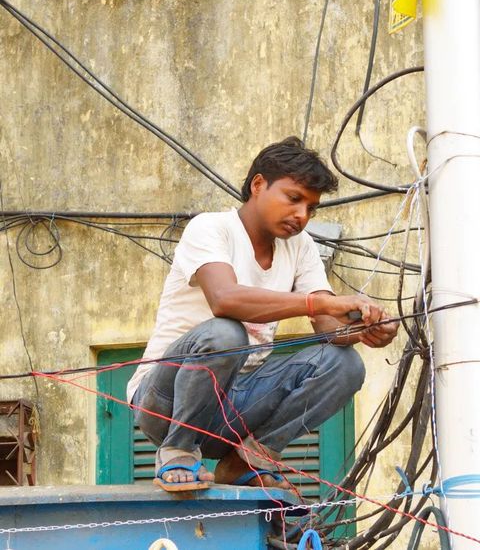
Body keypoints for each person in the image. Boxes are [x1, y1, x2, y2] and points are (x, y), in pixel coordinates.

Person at [126, 136, 399, 492]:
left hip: (238, 402)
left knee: (345, 364)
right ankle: (177, 449)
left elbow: (330, 330)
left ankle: (247, 460)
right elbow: (224, 300)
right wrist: (322, 303)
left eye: (312, 208)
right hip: (166, 402)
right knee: (225, 333)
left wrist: (363, 328)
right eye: (293, 198)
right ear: (258, 185)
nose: (302, 215)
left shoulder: (300, 247)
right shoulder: (211, 228)